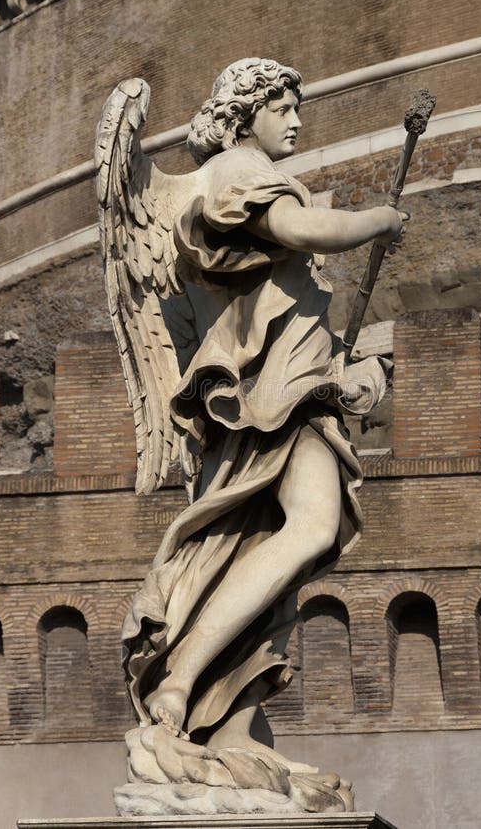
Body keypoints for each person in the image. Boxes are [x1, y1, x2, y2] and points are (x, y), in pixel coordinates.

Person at [120, 58, 406, 763]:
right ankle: (180, 679)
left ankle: (229, 722)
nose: (297, 121)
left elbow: (283, 307)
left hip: (292, 390)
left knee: (265, 555)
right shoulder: (235, 173)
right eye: (283, 108)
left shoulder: (254, 179)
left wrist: (347, 374)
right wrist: (375, 220)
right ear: (243, 117)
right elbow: (298, 230)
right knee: (309, 528)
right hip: (268, 399)